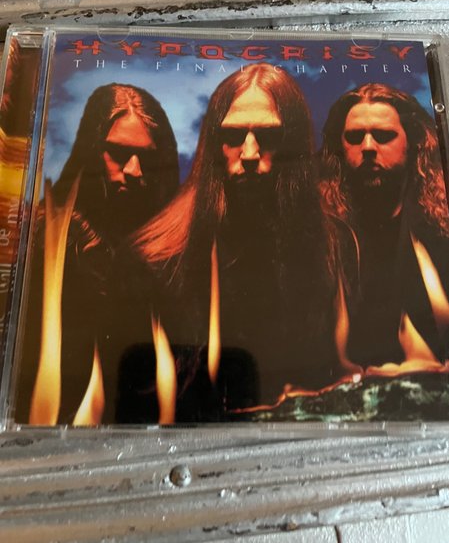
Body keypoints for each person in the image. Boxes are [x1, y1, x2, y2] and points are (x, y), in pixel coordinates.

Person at [126, 63, 349, 422]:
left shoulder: (333, 245)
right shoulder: (158, 260)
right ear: (215, 142)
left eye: (268, 136)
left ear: (292, 141)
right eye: (233, 135)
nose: (249, 154)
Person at [16, 83, 180, 424]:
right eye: (118, 153)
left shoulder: (170, 249)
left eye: (147, 158)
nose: (134, 170)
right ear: (92, 149)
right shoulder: (46, 237)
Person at [320, 82, 449, 371]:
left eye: (383, 135)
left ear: (413, 143)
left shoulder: (440, 229)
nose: (367, 147)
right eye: (355, 137)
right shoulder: (322, 235)